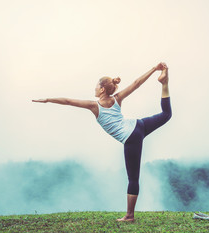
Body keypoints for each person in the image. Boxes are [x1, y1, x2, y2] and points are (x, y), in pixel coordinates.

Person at [32, 62, 172, 222]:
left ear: (102, 89)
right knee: (166, 114)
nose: (94, 89)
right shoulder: (117, 98)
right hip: (139, 125)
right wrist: (154, 69)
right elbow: (136, 84)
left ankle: (129, 216)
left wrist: (48, 99)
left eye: (96, 87)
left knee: (133, 178)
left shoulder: (94, 106)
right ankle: (164, 82)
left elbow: (68, 101)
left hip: (130, 137)